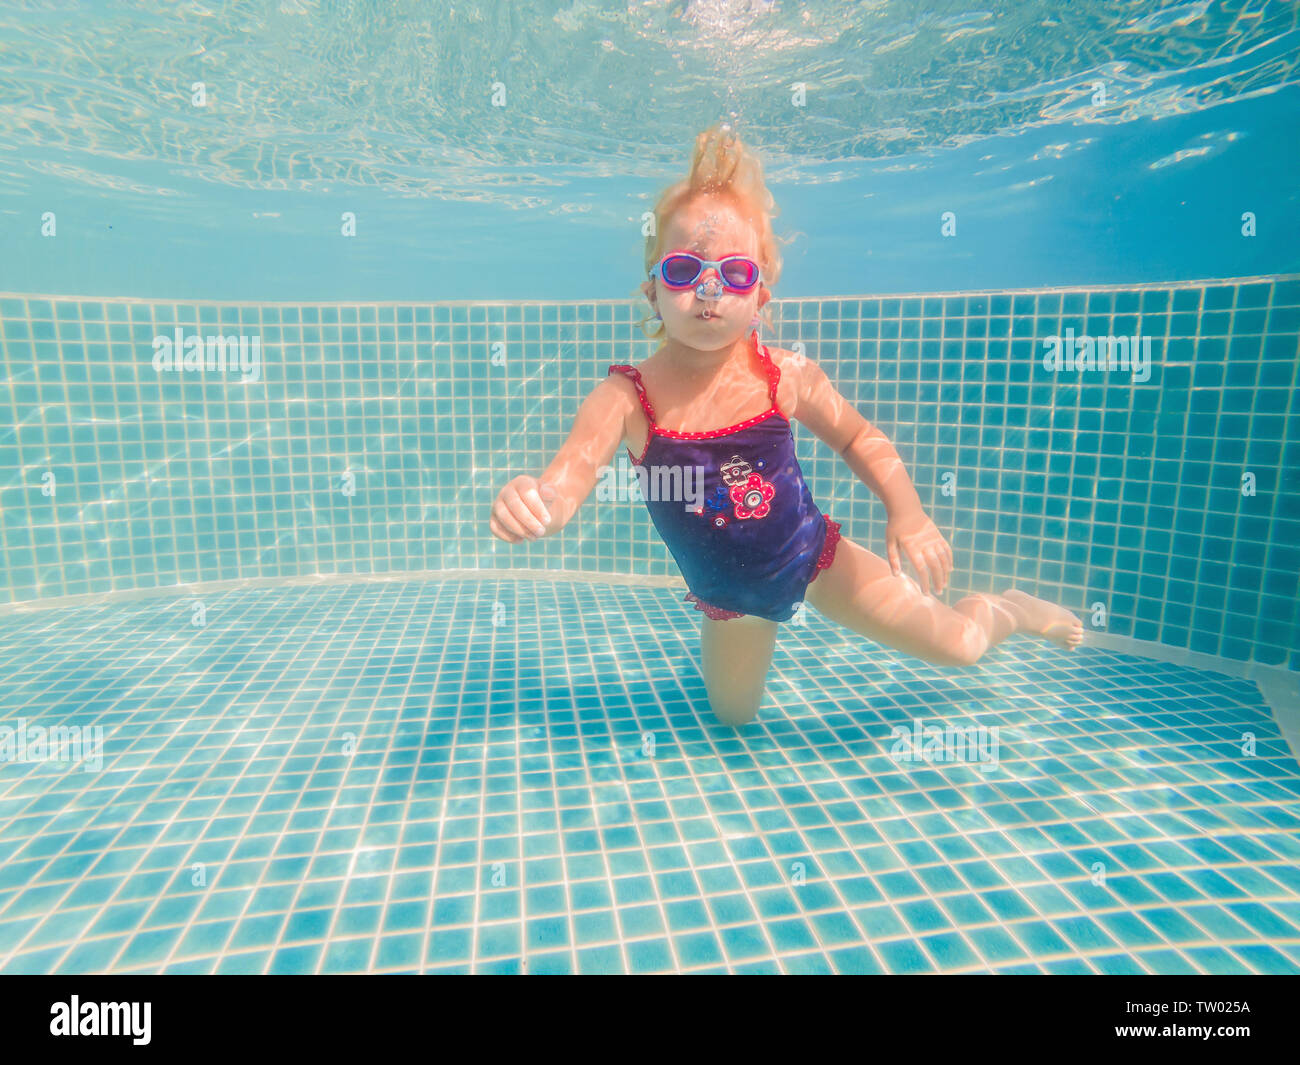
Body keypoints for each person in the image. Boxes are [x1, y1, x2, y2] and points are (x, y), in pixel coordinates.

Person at [490, 123, 1083, 726]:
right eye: (683, 270)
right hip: (728, 602)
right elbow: (570, 476)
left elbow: (858, 437)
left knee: (961, 646)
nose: (709, 290)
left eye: (736, 274)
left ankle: (1010, 610)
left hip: (815, 561)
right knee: (732, 721)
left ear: (761, 298)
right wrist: (537, 503)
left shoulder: (785, 377)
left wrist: (906, 510)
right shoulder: (626, 398)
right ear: (652, 291)